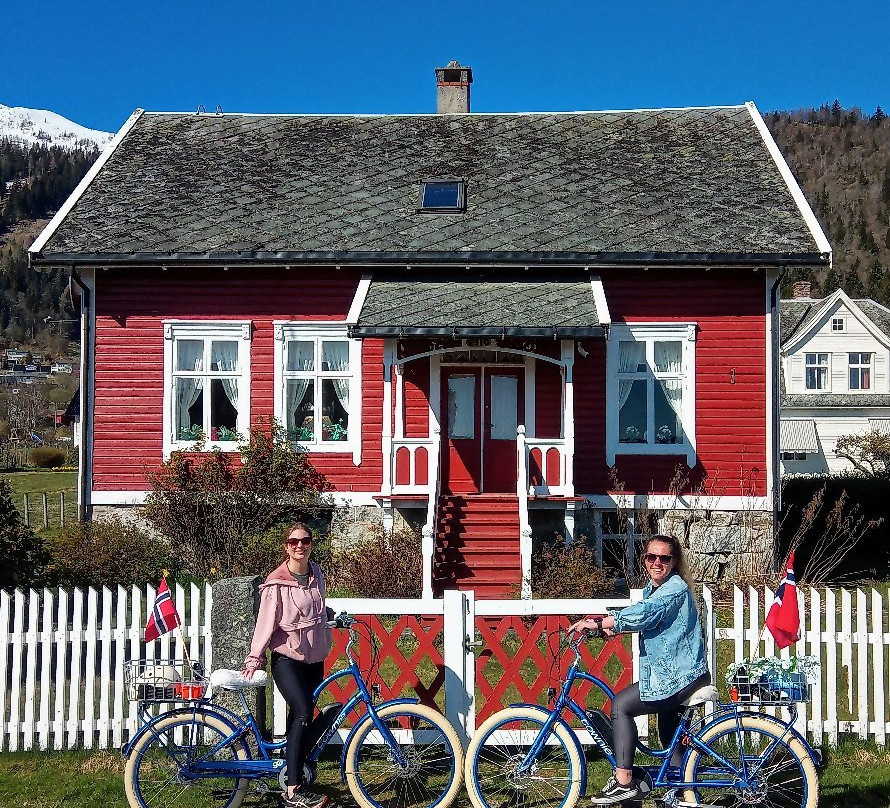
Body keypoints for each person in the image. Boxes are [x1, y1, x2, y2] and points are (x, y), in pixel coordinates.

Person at [568, 534, 710, 805]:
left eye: (664, 558)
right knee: (669, 736)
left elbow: (645, 614)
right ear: (644, 559)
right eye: (651, 557)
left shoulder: (674, 589)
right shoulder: (654, 589)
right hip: (681, 674)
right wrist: (609, 629)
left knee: (621, 705)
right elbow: (646, 617)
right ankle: (685, 794)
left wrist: (598, 623)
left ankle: (624, 782)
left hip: (677, 676)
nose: (657, 562)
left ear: (674, 561)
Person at [243, 522, 332, 808]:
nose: (299, 546)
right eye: (294, 542)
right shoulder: (276, 582)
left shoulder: (317, 573)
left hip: (314, 658)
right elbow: (265, 623)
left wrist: (334, 615)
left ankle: (295, 772)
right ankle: (293, 790)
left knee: (303, 716)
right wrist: (255, 657)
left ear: (310, 544)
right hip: (286, 659)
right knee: (304, 712)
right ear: (286, 546)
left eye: (305, 541)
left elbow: (318, 608)